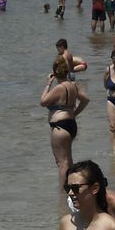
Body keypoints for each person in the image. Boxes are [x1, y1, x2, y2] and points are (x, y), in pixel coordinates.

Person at [43, 57, 89, 186]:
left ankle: (64, 194)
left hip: (60, 128)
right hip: (70, 125)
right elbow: (85, 100)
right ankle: (73, 187)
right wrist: (74, 113)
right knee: (68, 160)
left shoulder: (59, 88)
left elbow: (43, 101)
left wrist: (48, 83)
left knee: (62, 163)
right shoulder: (73, 85)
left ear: (55, 73)